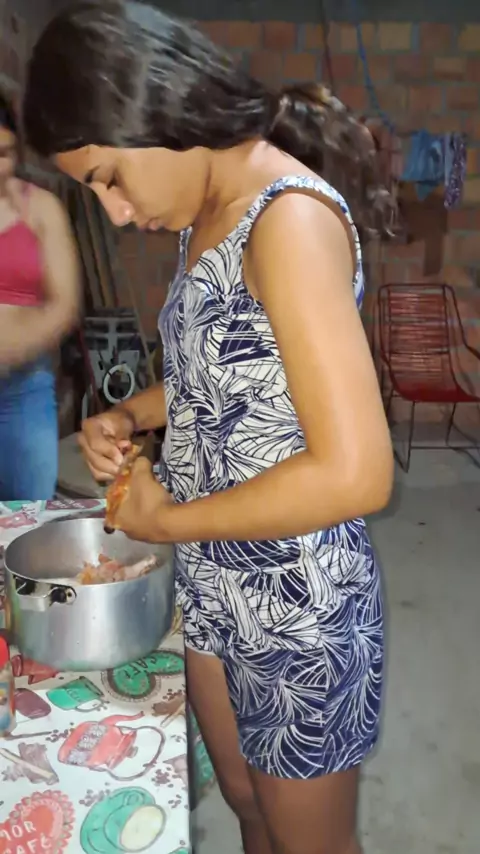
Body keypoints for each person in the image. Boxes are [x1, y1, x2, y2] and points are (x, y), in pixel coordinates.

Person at [23, 3, 395, 853]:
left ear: (155, 110)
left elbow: (357, 472)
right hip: (215, 583)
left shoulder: (287, 220)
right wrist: (129, 412)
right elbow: (218, 369)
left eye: (109, 178)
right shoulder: (207, 217)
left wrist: (166, 522)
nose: (117, 213)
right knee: (246, 804)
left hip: (299, 609)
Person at [0, 92, 80, 500]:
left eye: (3, 153)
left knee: (28, 517)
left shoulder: (42, 208)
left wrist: (10, 352)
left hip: (23, 388)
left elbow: (65, 305)